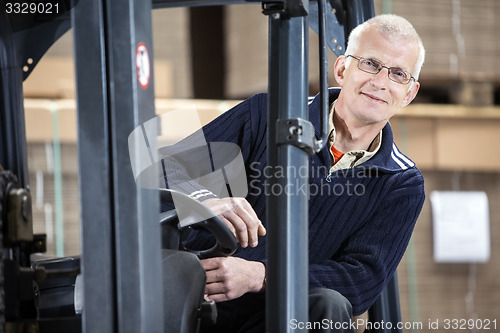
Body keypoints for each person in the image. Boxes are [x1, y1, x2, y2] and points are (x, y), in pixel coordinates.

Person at [162, 13, 426, 333]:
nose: (380, 82)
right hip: (197, 300)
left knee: (329, 305)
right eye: (370, 63)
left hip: (278, 318)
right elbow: (163, 171)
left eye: (398, 74)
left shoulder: (401, 184)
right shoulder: (265, 114)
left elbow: (360, 281)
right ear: (342, 69)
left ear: (409, 93)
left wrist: (261, 275)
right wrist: (204, 200)